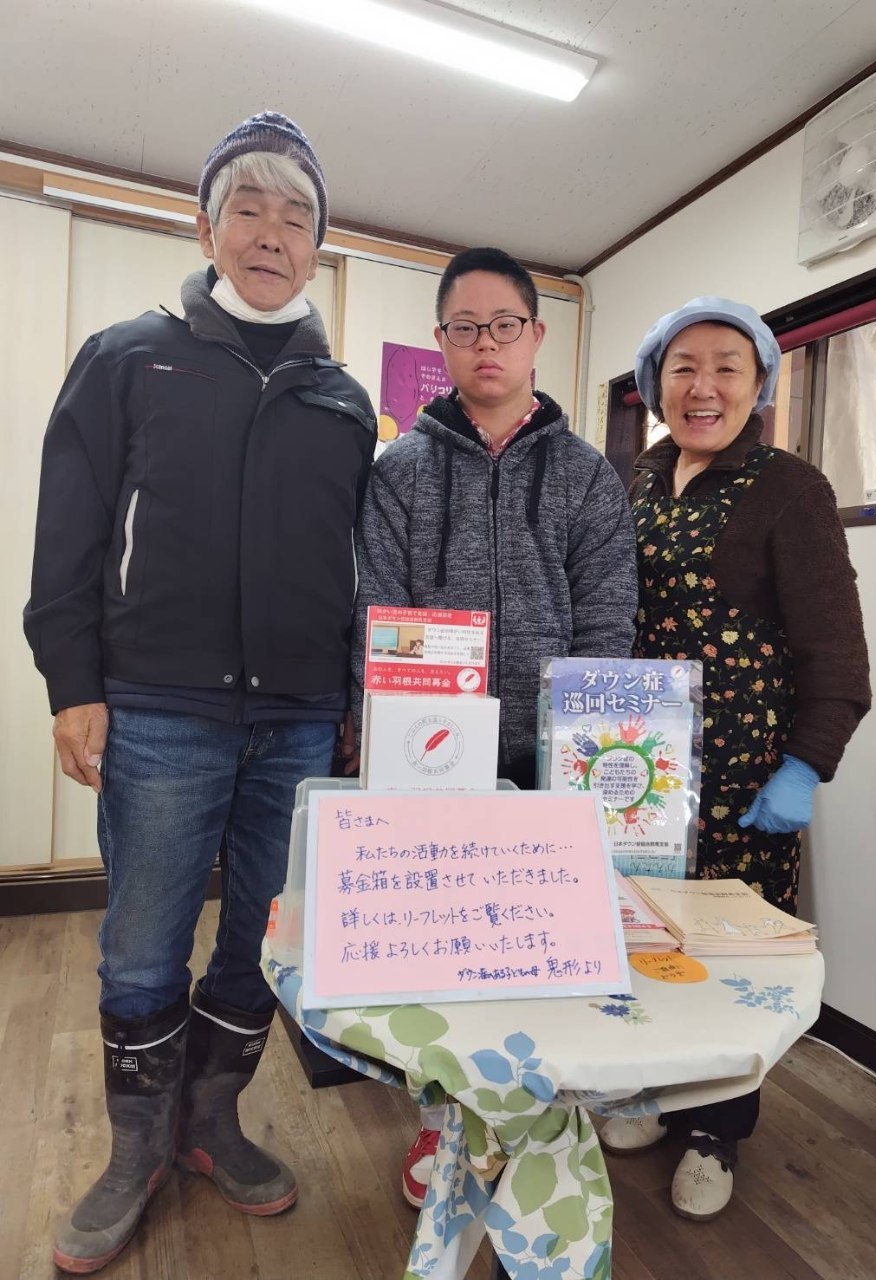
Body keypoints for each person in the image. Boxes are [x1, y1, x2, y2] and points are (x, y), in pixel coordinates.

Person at [24, 112, 377, 1273]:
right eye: (249, 208)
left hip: (299, 721)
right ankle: (134, 1148)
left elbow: (352, 567)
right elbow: (68, 536)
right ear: (206, 227)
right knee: (141, 945)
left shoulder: (343, 400)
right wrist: (74, 682)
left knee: (264, 939)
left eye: (296, 215)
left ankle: (209, 1120)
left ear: (317, 245)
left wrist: (354, 704)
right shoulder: (130, 356)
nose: (272, 233)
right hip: (161, 709)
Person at [348, 246, 639, 1206]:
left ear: (535, 336)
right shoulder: (399, 471)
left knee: (545, 954)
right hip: (437, 760)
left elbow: (608, 621)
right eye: (465, 327)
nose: (486, 344)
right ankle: (446, 1126)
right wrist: (386, 738)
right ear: (441, 341)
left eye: (504, 325)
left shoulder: (589, 475)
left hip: (555, 763)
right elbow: (377, 617)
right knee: (444, 960)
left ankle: (545, 1123)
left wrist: (578, 753)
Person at [597, 297, 871, 1220]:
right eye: (683, 367)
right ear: (654, 385)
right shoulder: (638, 479)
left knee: (727, 960)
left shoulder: (791, 488)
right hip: (639, 770)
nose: (703, 386)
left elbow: (837, 652)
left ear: (759, 385)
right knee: (644, 938)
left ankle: (717, 1128)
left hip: (745, 777)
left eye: (727, 367)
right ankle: (648, 1085)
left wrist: (806, 766)